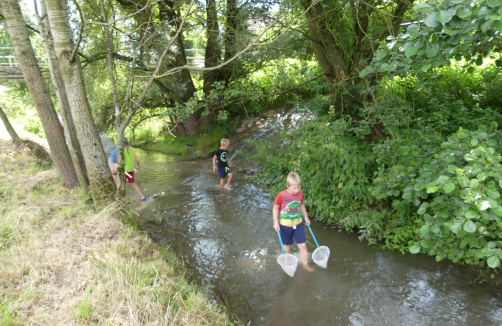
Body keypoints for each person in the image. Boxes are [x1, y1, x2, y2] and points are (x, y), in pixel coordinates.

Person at [272, 172, 314, 272]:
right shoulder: (281, 195)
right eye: (294, 188)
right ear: (287, 186)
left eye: (298, 188)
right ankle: (288, 266)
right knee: (287, 247)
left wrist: (306, 218)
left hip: (298, 223)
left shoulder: (300, 193)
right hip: (285, 225)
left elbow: (301, 205)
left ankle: (305, 266)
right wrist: (275, 222)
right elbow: (275, 208)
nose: (296, 191)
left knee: (303, 246)